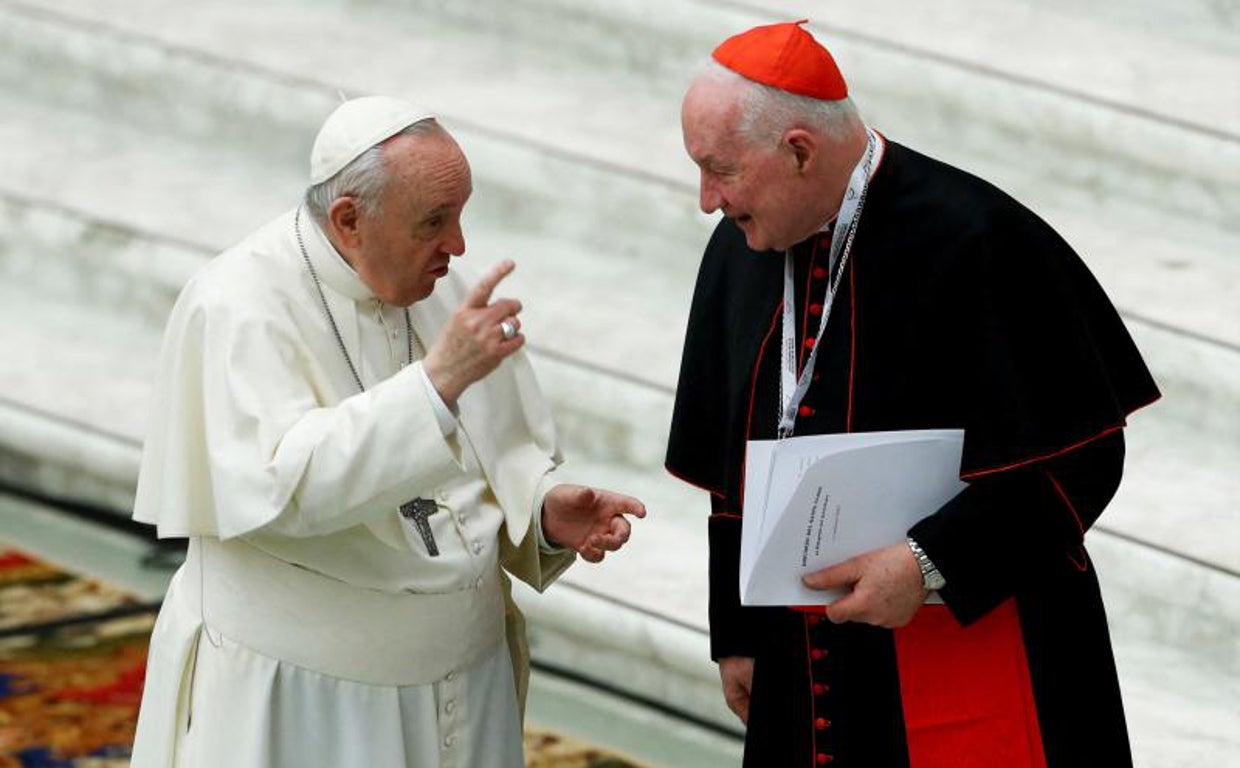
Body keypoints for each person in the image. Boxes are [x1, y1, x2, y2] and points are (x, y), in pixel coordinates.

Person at [666, 20, 1159, 768]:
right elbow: (731, 472)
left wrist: (927, 562)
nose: (706, 199)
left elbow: (1084, 460)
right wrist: (736, 634)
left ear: (799, 151)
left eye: (720, 169)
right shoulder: (744, 247)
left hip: (975, 640)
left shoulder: (980, 238)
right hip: (803, 659)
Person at [129, 95, 645, 767]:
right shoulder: (236, 305)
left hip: (464, 683)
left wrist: (542, 512)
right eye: (435, 221)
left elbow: (490, 467)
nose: (457, 246)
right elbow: (282, 488)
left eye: (461, 216)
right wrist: (433, 388)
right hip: (308, 705)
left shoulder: (439, 286)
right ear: (349, 220)